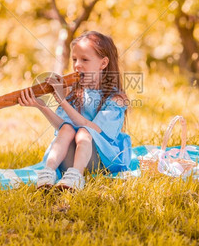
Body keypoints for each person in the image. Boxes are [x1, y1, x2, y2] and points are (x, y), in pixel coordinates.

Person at [18, 31, 133, 191]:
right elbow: (61, 126)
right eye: (74, 59)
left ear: (103, 63)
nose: (77, 65)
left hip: (99, 161)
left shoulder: (116, 99)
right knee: (66, 128)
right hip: (68, 159)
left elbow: (94, 130)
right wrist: (40, 105)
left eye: (84, 59)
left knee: (85, 132)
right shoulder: (73, 92)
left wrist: (61, 101)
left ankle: (77, 177)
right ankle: (48, 172)